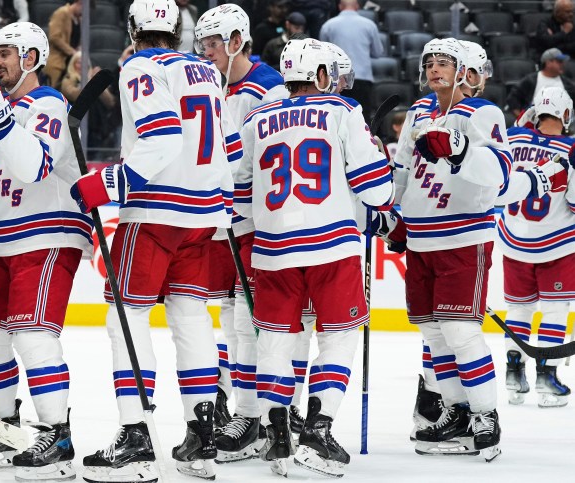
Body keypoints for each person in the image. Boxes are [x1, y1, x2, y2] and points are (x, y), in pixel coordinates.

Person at [71, 1, 237, 480]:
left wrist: (106, 185)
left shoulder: (140, 65)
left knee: (126, 317)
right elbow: (227, 146)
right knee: (190, 317)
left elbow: (162, 140)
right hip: (202, 214)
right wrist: (221, 204)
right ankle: (202, 438)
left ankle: (136, 437)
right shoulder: (206, 70)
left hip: (155, 213)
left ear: (133, 28)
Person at [235, 37, 394, 478]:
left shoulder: (256, 119)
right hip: (331, 246)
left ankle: (278, 435)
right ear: (323, 76)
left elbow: (238, 194)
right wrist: (380, 165)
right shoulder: (343, 111)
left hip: (271, 251)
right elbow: (377, 190)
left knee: (276, 344)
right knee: (338, 339)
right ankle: (318, 433)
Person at [0, 21, 90, 480]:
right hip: (6, 239)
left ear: (30, 58)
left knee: (32, 335)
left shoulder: (47, 102)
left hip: (50, 232)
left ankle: (58, 436)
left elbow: (33, 166)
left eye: (7, 54)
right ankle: (5, 428)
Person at [390, 38, 507, 462]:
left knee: (460, 331)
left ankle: (485, 414)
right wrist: (390, 210)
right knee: (434, 332)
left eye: (446, 63)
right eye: (431, 62)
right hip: (420, 238)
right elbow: (403, 168)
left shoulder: (482, 112)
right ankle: (456, 413)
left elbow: (500, 170)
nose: (436, 68)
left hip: (463, 237)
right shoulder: (420, 112)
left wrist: (459, 152)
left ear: (468, 72)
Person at [194, 3, 285, 464]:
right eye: (203, 45)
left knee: (252, 321)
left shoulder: (270, 87)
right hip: (221, 220)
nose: (206, 53)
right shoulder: (210, 84)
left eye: (212, 45)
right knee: (230, 314)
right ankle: (239, 405)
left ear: (235, 41)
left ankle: (256, 415)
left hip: (256, 224)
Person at [498, 86, 574, 408]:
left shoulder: (513, 138)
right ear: (566, 115)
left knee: (519, 310)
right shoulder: (571, 149)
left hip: (513, 241)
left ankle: (513, 375)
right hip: (556, 244)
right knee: (555, 311)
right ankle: (547, 375)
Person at [319, 0, 383, 122]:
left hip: (337, 80)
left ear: (339, 6)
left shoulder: (328, 25)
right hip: (362, 78)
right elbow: (378, 53)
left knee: (338, 117)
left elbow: (322, 54)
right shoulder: (369, 25)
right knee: (362, 118)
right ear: (357, 6)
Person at [506, 48, 575, 118]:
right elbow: (512, 99)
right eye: (559, 62)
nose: (562, 64)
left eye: (562, 62)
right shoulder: (530, 80)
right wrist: (522, 120)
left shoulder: (567, 84)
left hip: (562, 124)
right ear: (548, 63)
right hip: (534, 124)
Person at [45, 0, 83, 88]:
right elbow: (54, 37)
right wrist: (72, 52)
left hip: (71, 64)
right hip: (57, 62)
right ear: (79, 3)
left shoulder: (79, 19)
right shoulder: (62, 13)